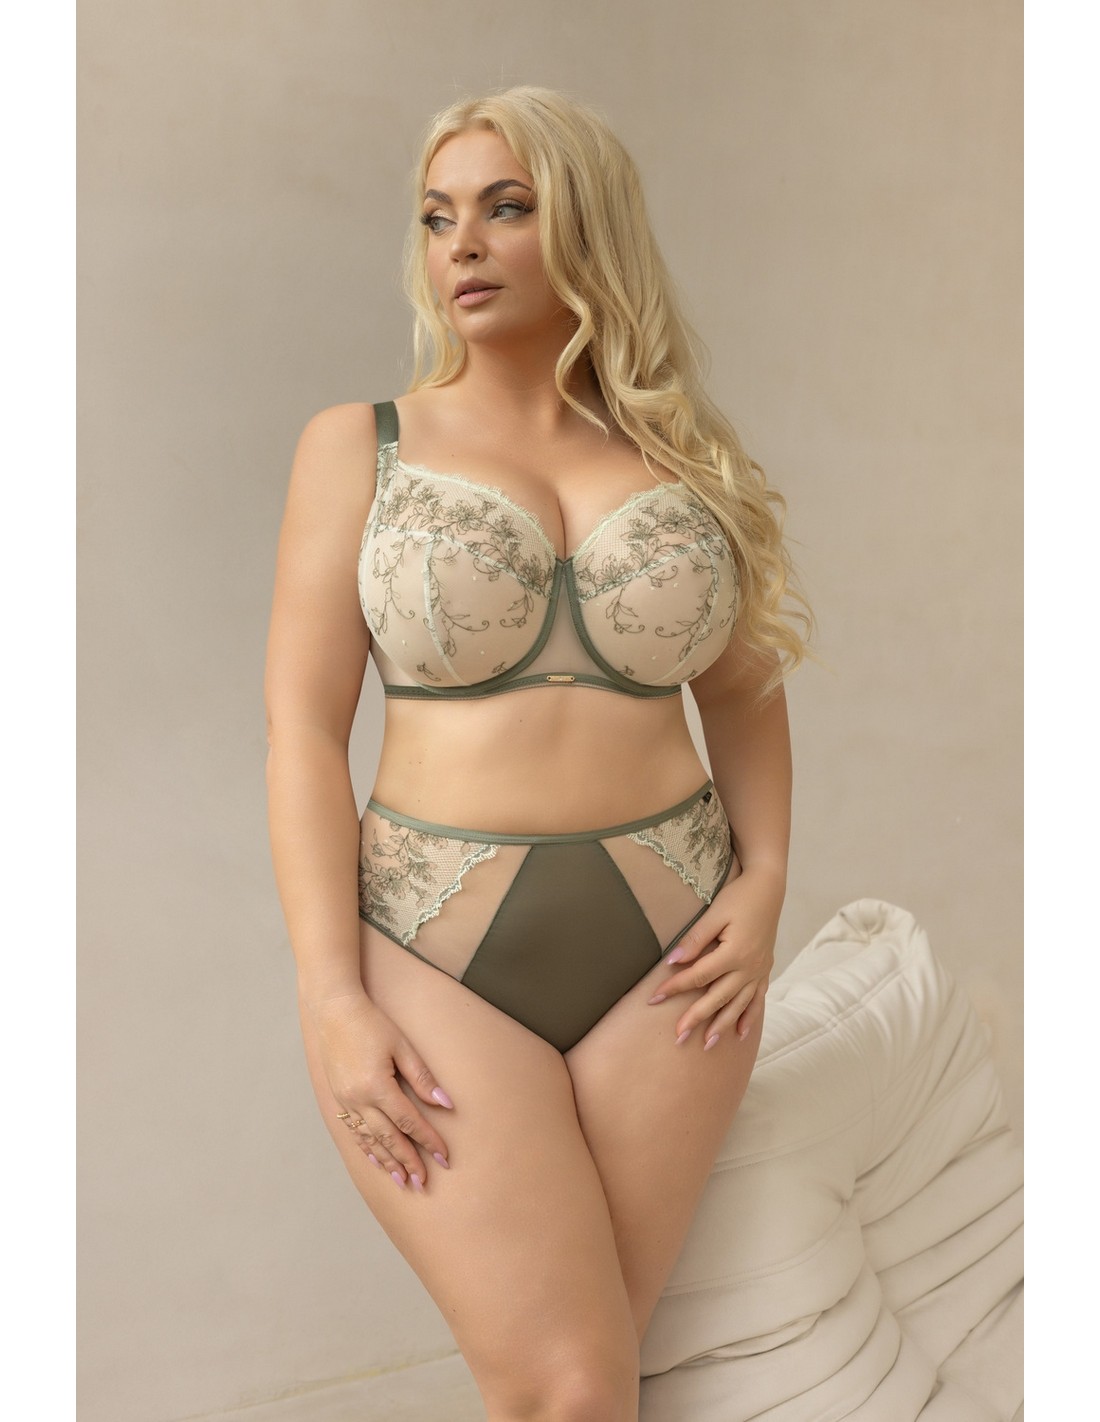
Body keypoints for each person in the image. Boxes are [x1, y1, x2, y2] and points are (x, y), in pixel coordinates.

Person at [265, 86, 811, 1422]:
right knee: (565, 1381)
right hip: (433, 945)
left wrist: (765, 882)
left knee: (595, 1380)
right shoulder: (358, 448)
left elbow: (744, 694)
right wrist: (331, 996)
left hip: (677, 952)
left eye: (506, 208)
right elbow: (302, 731)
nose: (462, 243)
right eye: (438, 216)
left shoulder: (684, 456)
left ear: (586, 228)